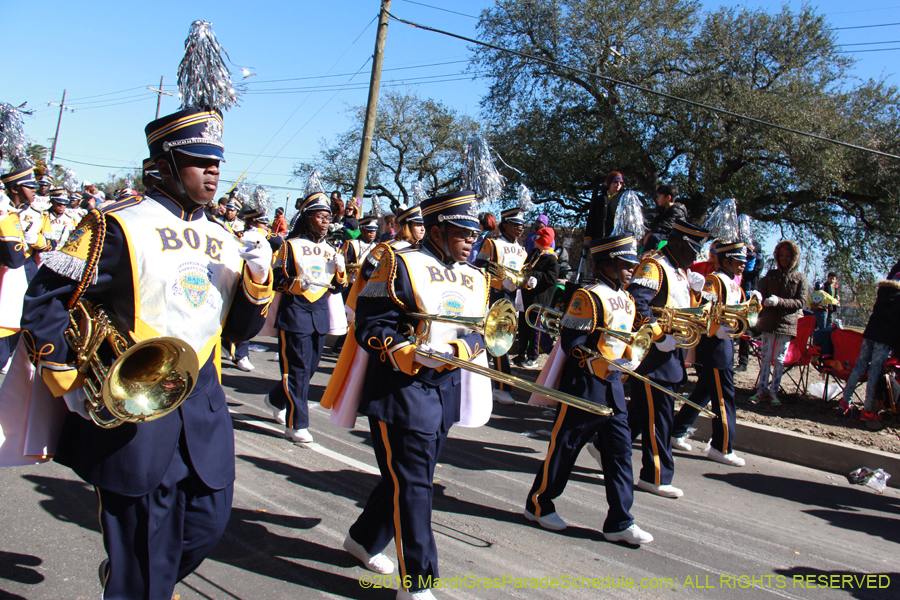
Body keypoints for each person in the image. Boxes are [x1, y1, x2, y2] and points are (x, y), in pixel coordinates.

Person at [22, 107, 274, 599]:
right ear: (164, 163)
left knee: (208, 524)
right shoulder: (113, 225)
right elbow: (45, 301)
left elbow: (239, 331)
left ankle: (128, 582)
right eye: (200, 160)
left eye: (217, 162)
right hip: (132, 413)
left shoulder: (227, 240)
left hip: (201, 407)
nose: (213, 172)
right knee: (144, 553)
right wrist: (70, 379)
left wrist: (258, 280)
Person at [344, 190, 488, 600]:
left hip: (446, 388)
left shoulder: (477, 275)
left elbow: (483, 330)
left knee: (409, 478)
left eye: (474, 234)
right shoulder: (399, 262)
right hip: (401, 389)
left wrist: (461, 350)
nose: (469, 241)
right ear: (439, 229)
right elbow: (371, 325)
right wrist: (407, 351)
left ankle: (362, 539)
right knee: (415, 486)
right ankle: (419, 582)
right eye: (461, 232)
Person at [524, 233, 653, 545]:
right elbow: (572, 343)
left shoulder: (628, 299)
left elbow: (628, 338)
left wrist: (631, 357)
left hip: (613, 387)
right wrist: (606, 363)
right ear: (607, 264)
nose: (630, 270)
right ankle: (539, 503)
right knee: (565, 447)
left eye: (631, 264)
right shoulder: (588, 296)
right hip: (584, 385)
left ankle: (620, 521)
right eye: (624, 264)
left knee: (621, 453)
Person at [626, 219, 709, 498]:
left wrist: (698, 294)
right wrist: (660, 336)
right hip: (653, 353)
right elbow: (637, 303)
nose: (696, 256)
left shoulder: (679, 271)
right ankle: (655, 476)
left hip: (670, 352)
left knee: (642, 414)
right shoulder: (655, 265)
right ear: (676, 243)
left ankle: (605, 446)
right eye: (692, 249)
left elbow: (683, 309)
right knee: (659, 418)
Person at [265, 192, 347, 443]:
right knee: (298, 370)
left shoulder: (331, 249)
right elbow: (277, 279)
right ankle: (296, 424)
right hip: (295, 312)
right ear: (308, 218)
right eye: (320, 216)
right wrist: (295, 284)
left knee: (308, 369)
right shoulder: (290, 246)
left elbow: (336, 287)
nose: (325, 221)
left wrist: (341, 271)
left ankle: (276, 398)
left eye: (328, 217)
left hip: (319, 314)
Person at [671, 241, 756, 466]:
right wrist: (718, 330)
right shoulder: (715, 281)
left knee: (705, 392)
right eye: (738, 261)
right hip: (714, 346)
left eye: (744, 262)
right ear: (726, 261)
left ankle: (676, 430)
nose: (742, 266)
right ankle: (722, 446)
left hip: (724, 344)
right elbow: (702, 314)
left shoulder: (734, 283)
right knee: (724, 396)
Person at [473, 207, 528, 405]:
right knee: (499, 341)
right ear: (506, 225)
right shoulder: (492, 244)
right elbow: (479, 270)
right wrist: (499, 282)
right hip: (492, 295)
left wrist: (529, 282)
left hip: (511, 297)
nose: (520, 229)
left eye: (522, 225)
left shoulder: (523, 250)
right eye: (516, 225)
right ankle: (501, 387)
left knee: (497, 342)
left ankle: (476, 378)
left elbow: (522, 273)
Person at [0, 167, 50, 374]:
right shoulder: (6, 213)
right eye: (30, 186)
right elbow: (14, 258)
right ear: (15, 189)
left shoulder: (13, 212)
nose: (34, 191)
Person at [838, 261, 900, 425]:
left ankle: (845, 401)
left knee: (859, 367)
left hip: (870, 333)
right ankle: (868, 410)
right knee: (874, 372)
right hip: (884, 338)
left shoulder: (883, 292)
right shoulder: (898, 298)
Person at [751, 240, 809, 406]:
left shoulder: (800, 278)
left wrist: (780, 302)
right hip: (768, 322)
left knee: (780, 359)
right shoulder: (771, 275)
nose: (784, 258)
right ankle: (761, 389)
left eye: (787, 256)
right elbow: (761, 294)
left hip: (787, 324)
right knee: (766, 356)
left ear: (793, 258)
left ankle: (774, 391)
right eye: (781, 255)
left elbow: (801, 301)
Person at [514, 227, 559, 368]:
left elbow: (551, 279)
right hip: (527, 296)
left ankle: (532, 357)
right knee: (523, 326)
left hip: (539, 300)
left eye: (537, 238)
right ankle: (521, 354)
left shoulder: (552, 259)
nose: (534, 240)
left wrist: (536, 276)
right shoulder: (533, 253)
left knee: (535, 329)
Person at [583, 171, 624, 246]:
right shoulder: (599, 199)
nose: (618, 184)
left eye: (621, 183)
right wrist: (588, 237)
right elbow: (591, 219)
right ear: (610, 183)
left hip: (615, 241)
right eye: (616, 181)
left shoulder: (623, 200)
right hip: (598, 239)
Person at [643, 184, 688, 252]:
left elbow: (666, 227)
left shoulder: (677, 211)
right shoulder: (661, 209)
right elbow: (654, 220)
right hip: (664, 234)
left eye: (659, 196)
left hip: (673, 236)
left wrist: (650, 232)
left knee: (654, 237)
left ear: (668, 198)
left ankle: (647, 257)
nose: (657, 199)